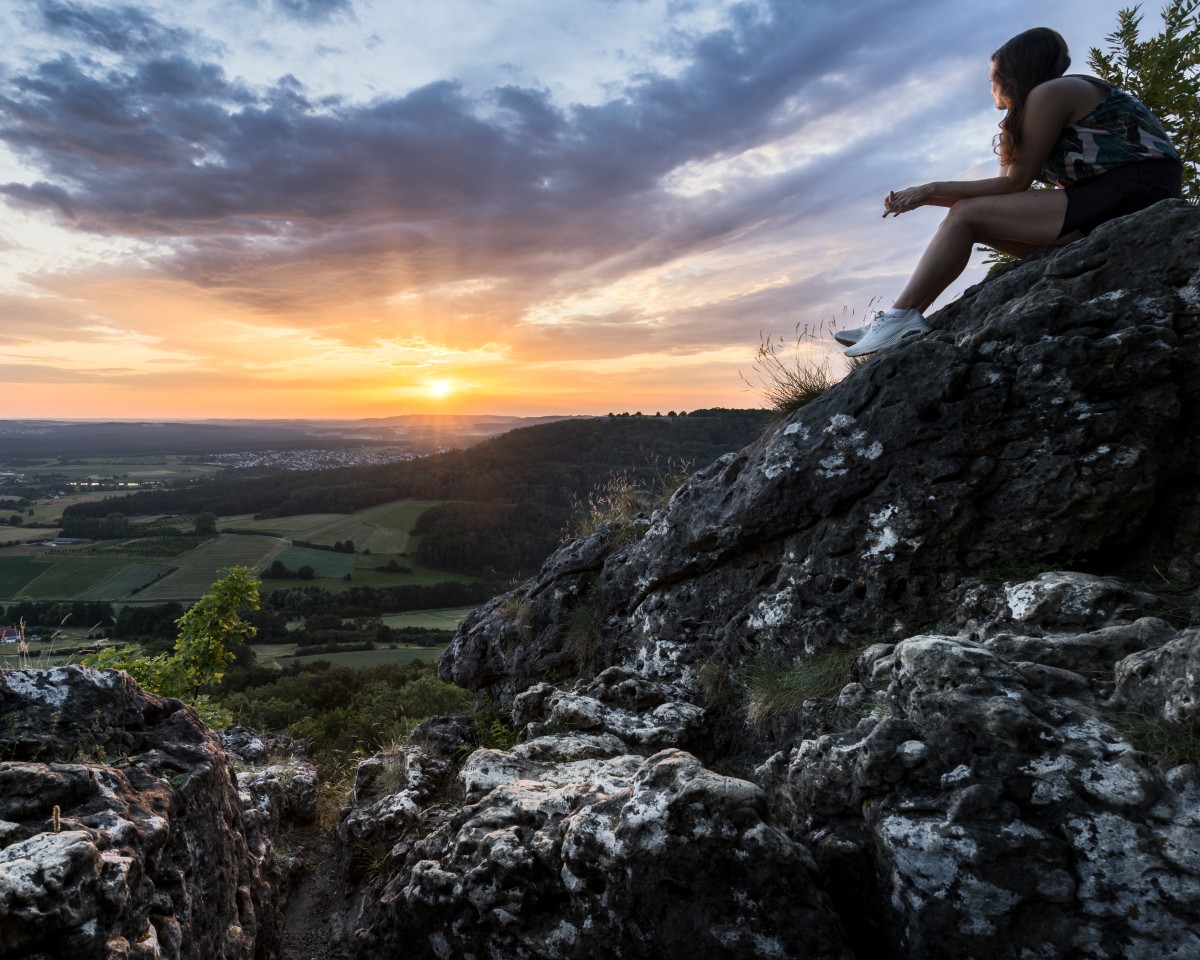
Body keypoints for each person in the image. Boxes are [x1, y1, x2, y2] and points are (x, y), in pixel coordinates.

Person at [840, 27, 1183, 357]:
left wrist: (931, 188)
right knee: (972, 219)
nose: (990, 85)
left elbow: (1013, 185)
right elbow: (1002, 194)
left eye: (993, 77)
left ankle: (899, 317)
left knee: (967, 216)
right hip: (1100, 197)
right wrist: (923, 198)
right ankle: (901, 318)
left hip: (1134, 188)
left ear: (1012, 72)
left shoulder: (1054, 91)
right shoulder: (1027, 112)